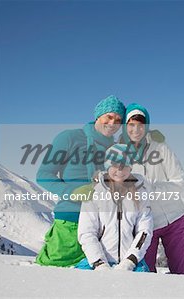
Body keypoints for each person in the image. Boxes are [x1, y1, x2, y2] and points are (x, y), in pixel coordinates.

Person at [35, 95, 126, 267]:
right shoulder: (70, 137)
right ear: (98, 115)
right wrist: (72, 192)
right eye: (109, 116)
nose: (113, 123)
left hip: (103, 226)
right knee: (54, 271)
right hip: (72, 220)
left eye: (118, 119)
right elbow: (44, 175)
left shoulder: (116, 149)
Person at [121, 103, 184, 274]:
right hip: (144, 225)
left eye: (141, 125)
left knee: (183, 274)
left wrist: (151, 188)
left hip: (174, 218)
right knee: (145, 275)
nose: (136, 129)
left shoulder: (160, 147)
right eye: (131, 125)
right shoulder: (120, 153)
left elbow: (180, 182)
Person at [76, 144, 153, 271]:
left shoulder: (140, 193)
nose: (119, 170)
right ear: (107, 166)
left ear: (130, 167)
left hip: (131, 261)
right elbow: (87, 232)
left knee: (141, 286)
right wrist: (99, 263)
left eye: (124, 165)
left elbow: (144, 231)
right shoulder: (94, 193)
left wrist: (131, 260)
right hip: (98, 260)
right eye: (115, 165)